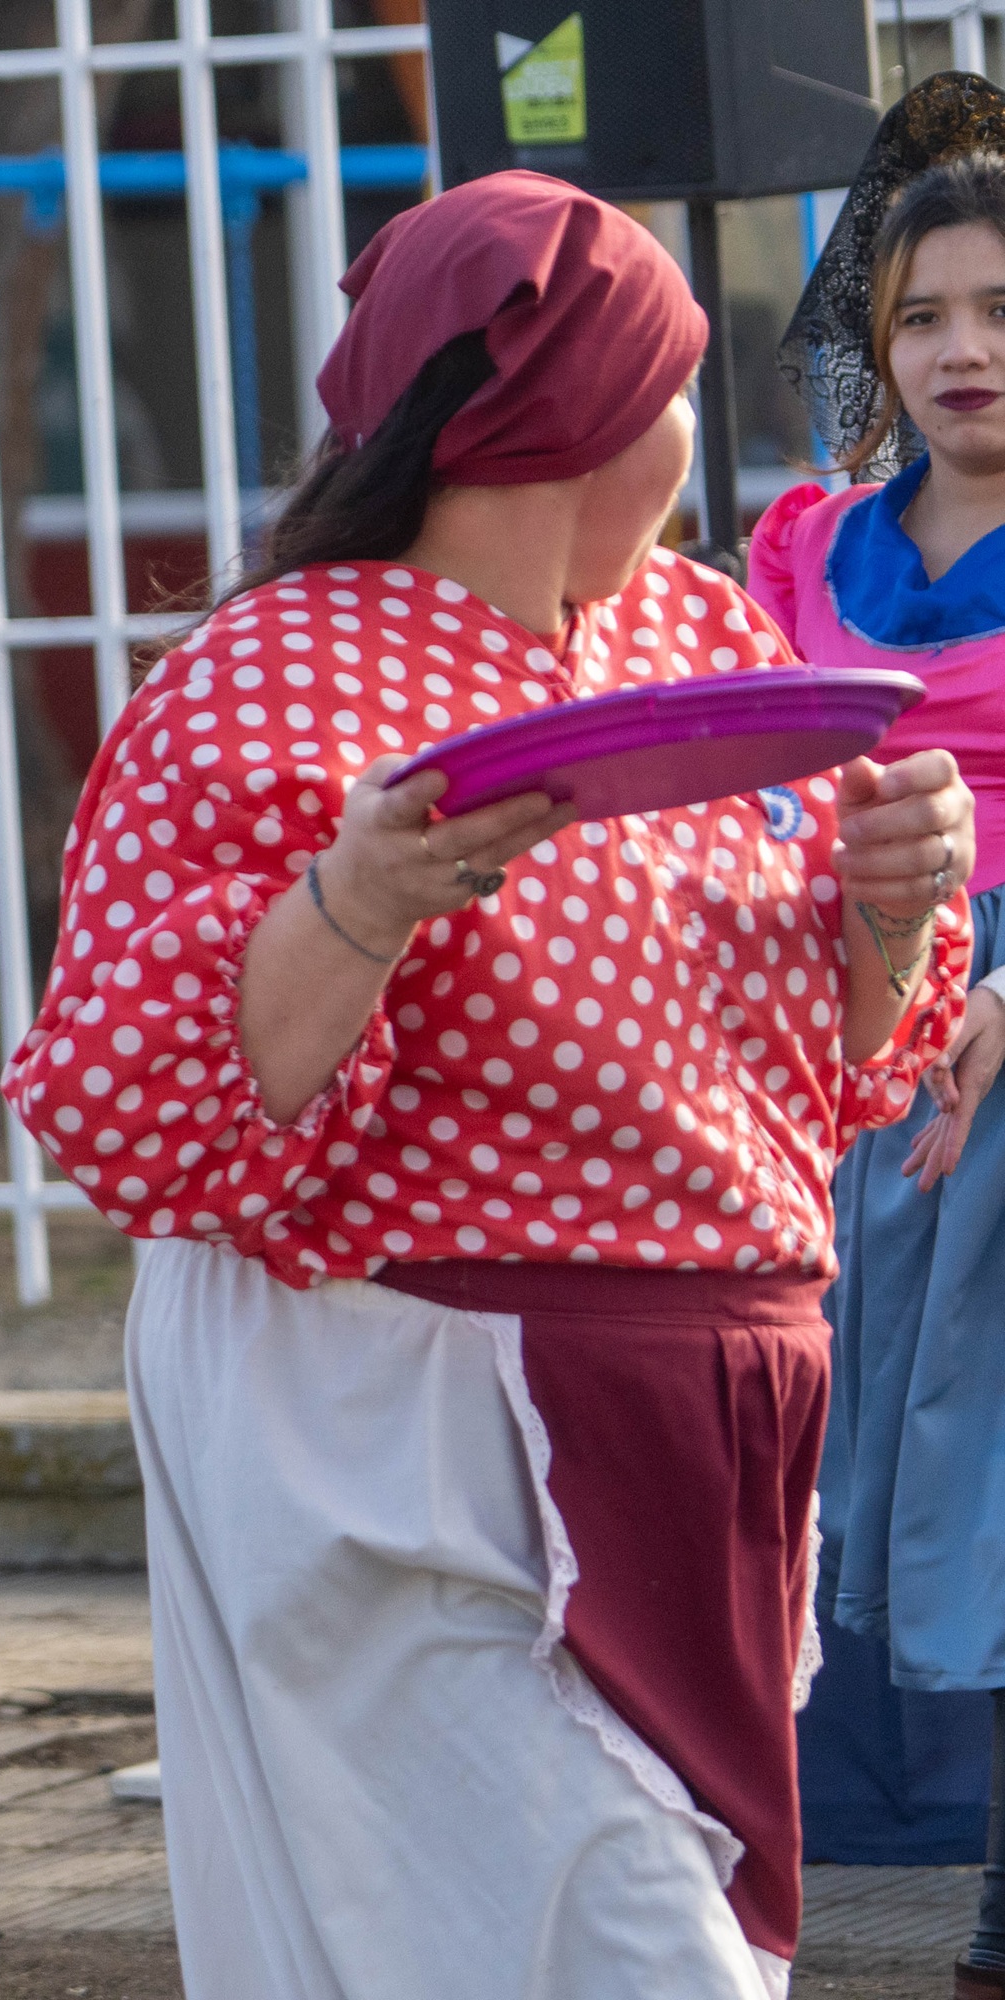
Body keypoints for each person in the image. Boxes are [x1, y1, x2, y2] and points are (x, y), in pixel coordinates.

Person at [6, 170, 978, 1998]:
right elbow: (155, 1117)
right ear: (583, 416)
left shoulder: (698, 639)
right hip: (430, 1437)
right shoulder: (262, 681)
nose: (696, 439)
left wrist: (892, 910)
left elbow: (836, 1068)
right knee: (619, 1954)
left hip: (715, 1417)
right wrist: (356, 895)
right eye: (673, 383)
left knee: (664, 1937)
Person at [752, 75, 1005, 1999]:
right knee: (824, 1434)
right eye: (923, 314)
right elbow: (745, 782)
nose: (961, 352)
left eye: (999, 313)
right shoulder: (799, 544)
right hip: (828, 1018)